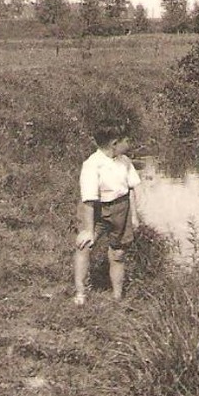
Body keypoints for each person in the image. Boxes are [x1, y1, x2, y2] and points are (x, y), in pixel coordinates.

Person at [74, 120, 142, 304]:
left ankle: (117, 296)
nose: (130, 144)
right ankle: (81, 292)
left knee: (118, 253)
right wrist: (88, 229)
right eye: (126, 141)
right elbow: (88, 199)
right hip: (97, 210)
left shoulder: (125, 162)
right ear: (114, 143)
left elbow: (131, 190)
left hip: (122, 209)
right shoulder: (92, 165)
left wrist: (134, 216)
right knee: (85, 245)